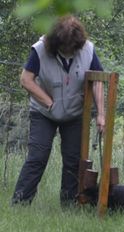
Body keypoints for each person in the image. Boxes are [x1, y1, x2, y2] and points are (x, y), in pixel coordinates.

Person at [11, 15, 105, 207]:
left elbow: (97, 81)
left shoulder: (87, 49)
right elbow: (25, 79)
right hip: (43, 113)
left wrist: (101, 114)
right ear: (55, 42)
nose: (69, 49)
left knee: (73, 161)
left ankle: (69, 205)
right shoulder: (40, 50)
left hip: (75, 115)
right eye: (65, 45)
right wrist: (48, 102)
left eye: (72, 45)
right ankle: (20, 203)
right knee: (37, 157)